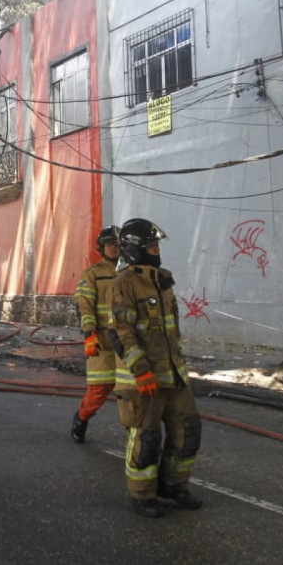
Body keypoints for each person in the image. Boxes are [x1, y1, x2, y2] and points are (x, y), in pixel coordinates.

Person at [110, 218, 202, 518]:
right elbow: (122, 332)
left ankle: (173, 486)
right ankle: (142, 494)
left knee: (188, 431)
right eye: (151, 245)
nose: (156, 249)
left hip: (174, 375)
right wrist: (142, 372)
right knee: (146, 438)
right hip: (144, 381)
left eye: (157, 245)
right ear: (135, 250)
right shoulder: (124, 283)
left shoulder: (163, 279)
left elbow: (169, 330)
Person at [70, 225, 121, 444]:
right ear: (101, 248)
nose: (114, 248)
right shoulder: (92, 275)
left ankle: (139, 436)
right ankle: (81, 418)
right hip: (103, 342)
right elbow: (84, 306)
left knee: (133, 391)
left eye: (118, 244)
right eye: (110, 244)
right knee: (100, 390)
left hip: (128, 343)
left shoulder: (130, 273)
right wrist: (89, 334)